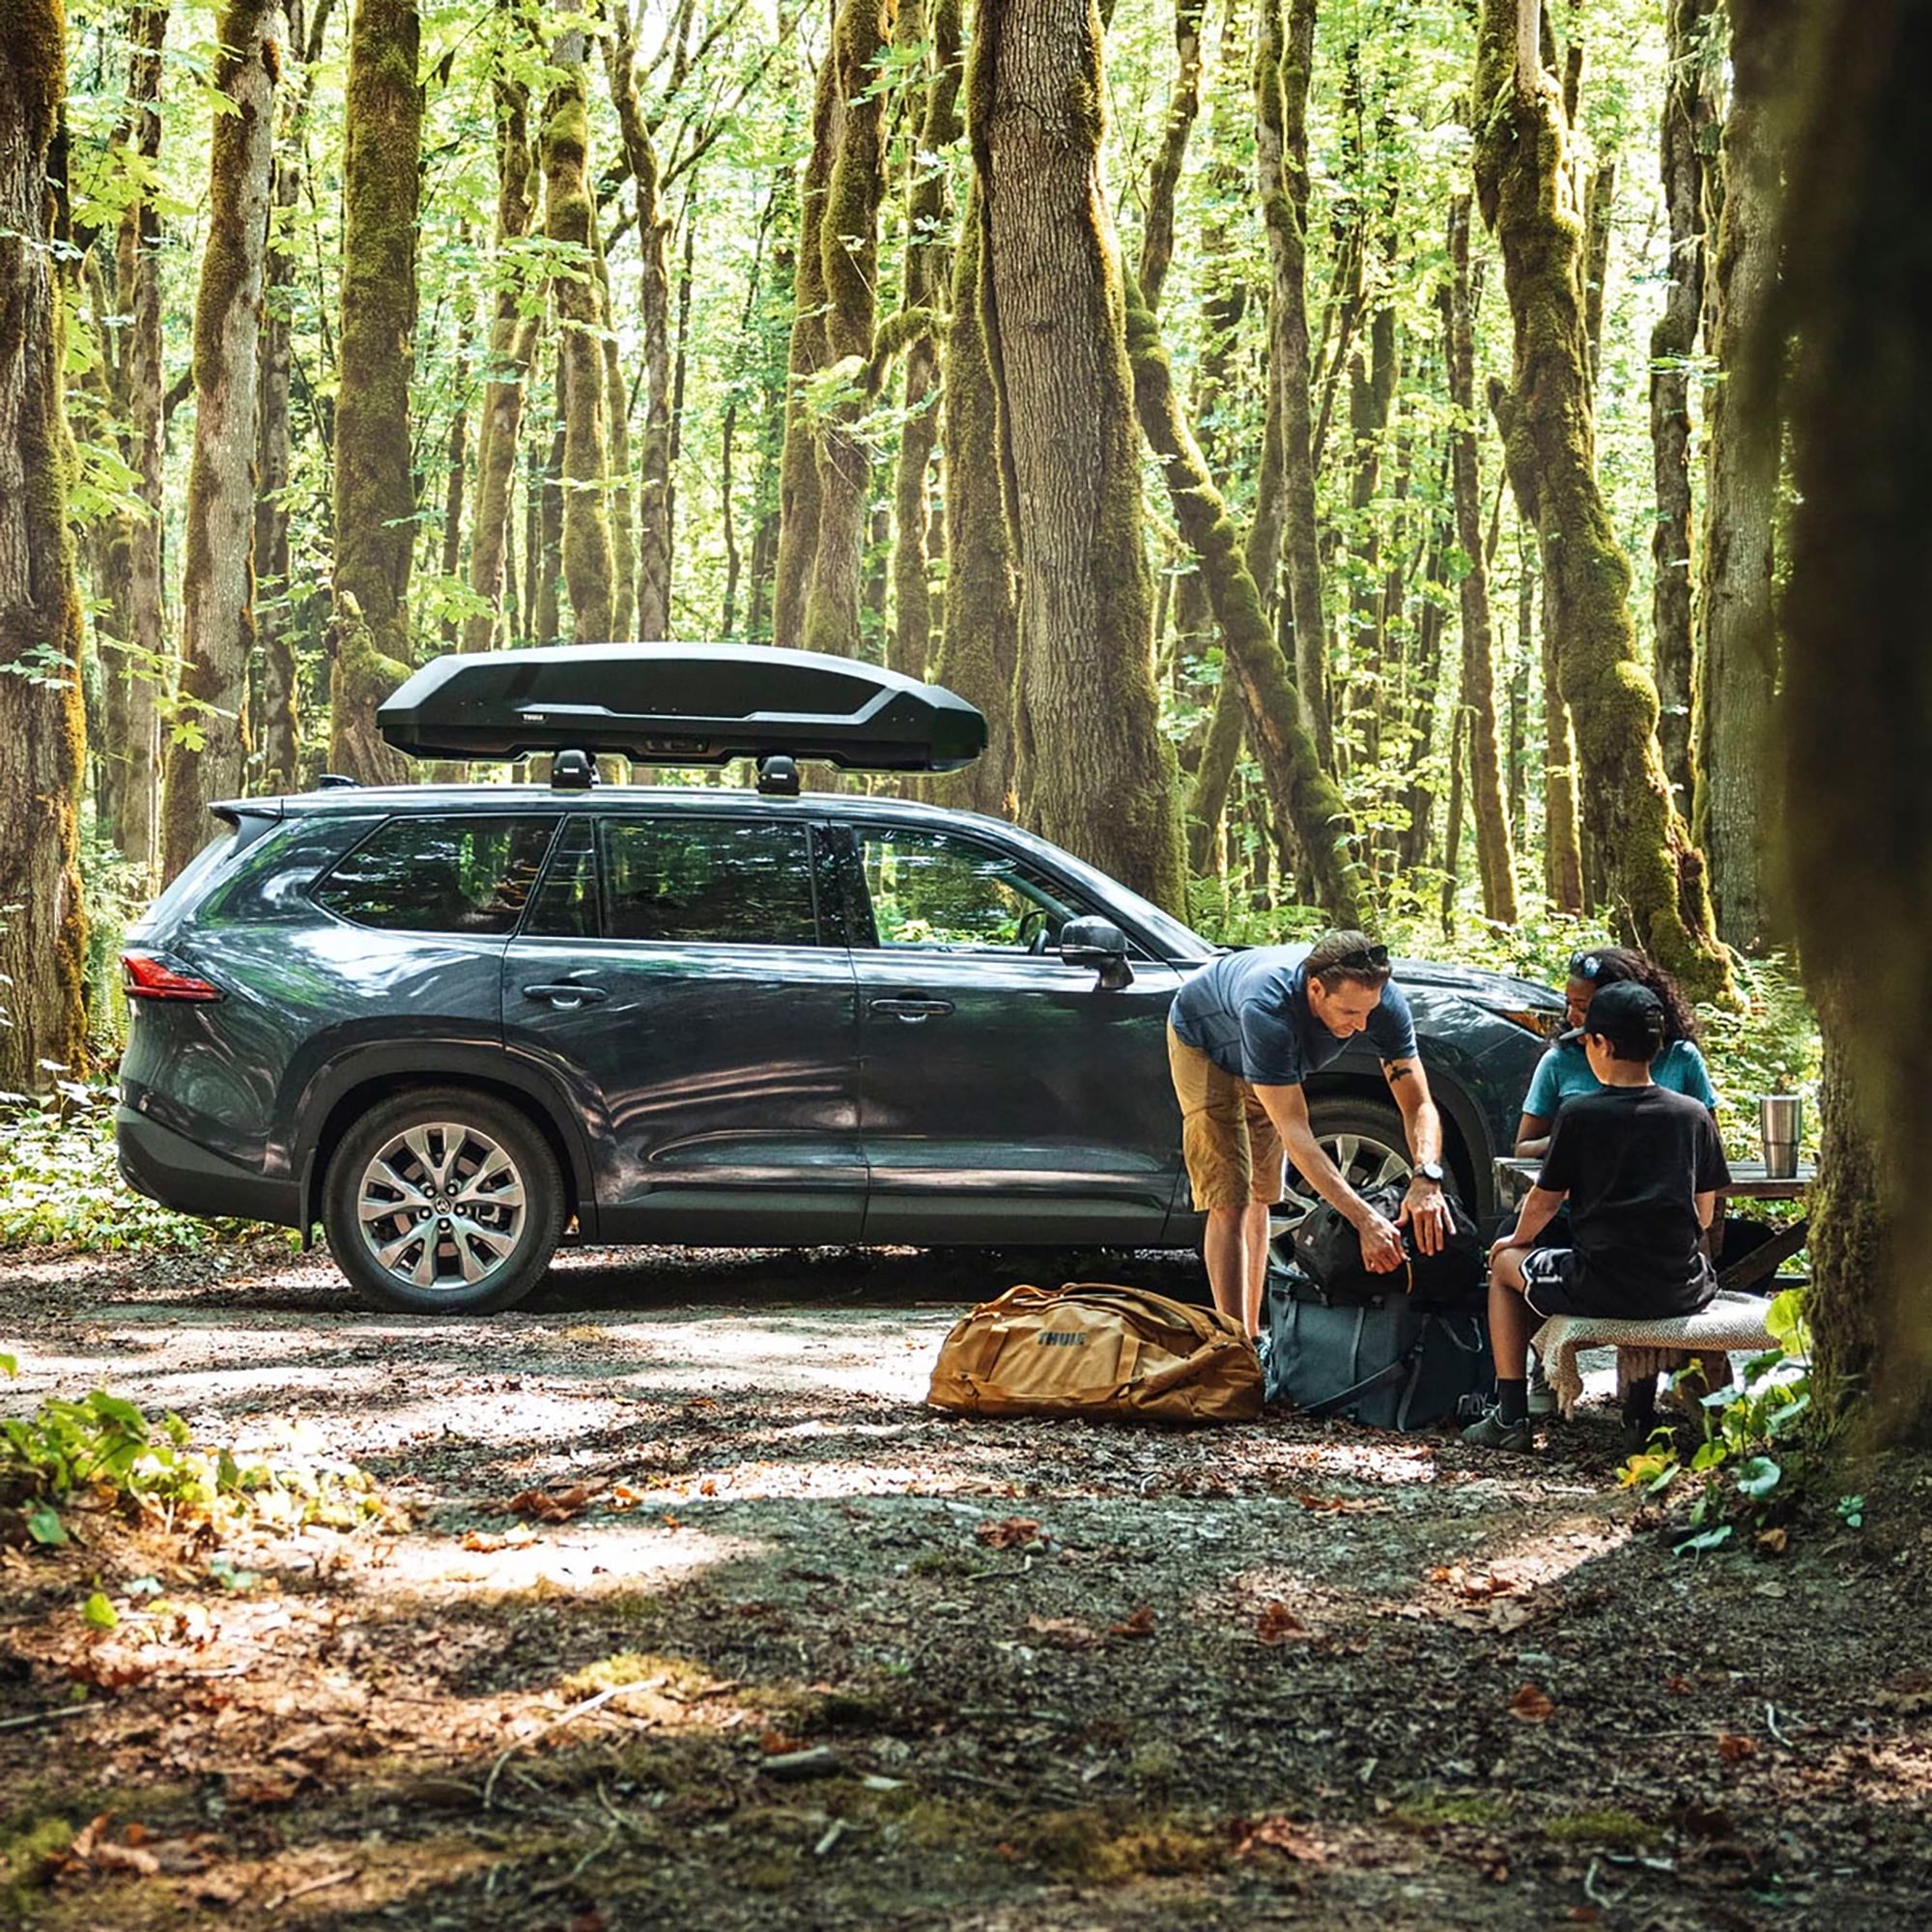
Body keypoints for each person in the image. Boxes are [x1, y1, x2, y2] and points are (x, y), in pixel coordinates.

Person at [1463, 980, 1730, 1452]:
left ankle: (1510, 1415)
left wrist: (1513, 1241)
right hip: (1680, 1287)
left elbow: (1544, 1202)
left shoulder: (1581, 1115)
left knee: (1504, 1267)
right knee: (1643, 1280)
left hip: (1599, 1282)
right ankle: (1639, 1415)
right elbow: (1704, 1214)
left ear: (1601, 1044)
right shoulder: (1693, 1115)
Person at [1166, 929, 1455, 1336]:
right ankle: (1233, 1343)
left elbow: (1418, 1103)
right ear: (1315, 988)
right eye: (1350, 1013)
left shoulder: (1382, 1002)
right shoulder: (1267, 1007)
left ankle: (1253, 1337)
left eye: (1369, 1012)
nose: (1362, 1026)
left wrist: (1427, 1176)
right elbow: (1296, 1131)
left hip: (1269, 1060)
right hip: (1206, 1042)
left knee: (1262, 1194)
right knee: (1230, 1197)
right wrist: (1364, 1219)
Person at [1514, 946, 1716, 1156]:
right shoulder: (1559, 1063)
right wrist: (1574, 1134)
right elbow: (1523, 1151)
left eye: (1583, 1008)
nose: (1570, 1017)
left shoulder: (1682, 1059)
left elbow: (1709, 1151)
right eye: (1568, 1004)